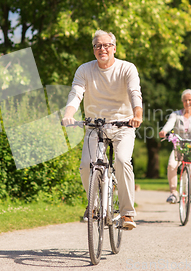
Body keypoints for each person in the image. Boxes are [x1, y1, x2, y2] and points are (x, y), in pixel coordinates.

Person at [61, 29, 143, 230]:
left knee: (123, 161)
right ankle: (95, 206)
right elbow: (76, 93)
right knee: (86, 165)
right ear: (93, 50)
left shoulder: (127, 68)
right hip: (95, 126)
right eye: (97, 45)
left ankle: (127, 214)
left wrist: (137, 114)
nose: (102, 49)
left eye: (106, 45)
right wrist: (68, 114)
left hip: (123, 125)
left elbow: (134, 92)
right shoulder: (84, 70)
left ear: (114, 48)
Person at [158, 89, 191, 205]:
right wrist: (164, 131)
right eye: (185, 100)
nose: (188, 103)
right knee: (172, 165)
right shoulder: (175, 115)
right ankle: (173, 193)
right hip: (179, 147)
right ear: (182, 101)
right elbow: (169, 124)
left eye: (190, 100)